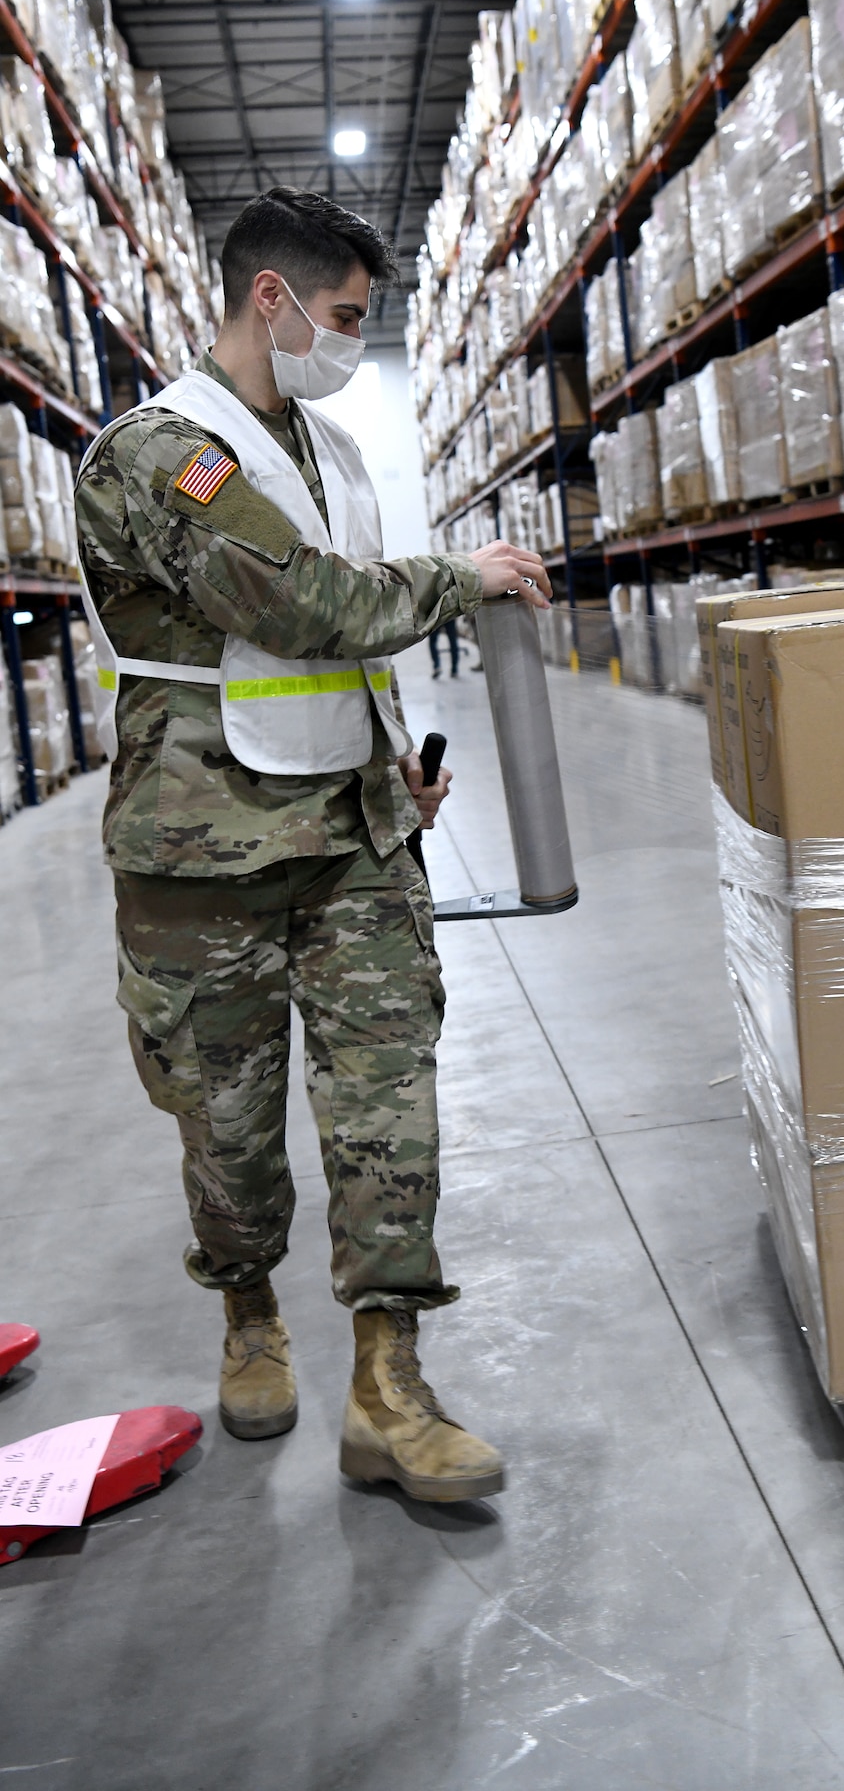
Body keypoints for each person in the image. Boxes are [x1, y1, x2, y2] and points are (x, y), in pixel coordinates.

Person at [74, 186, 551, 1504]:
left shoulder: (329, 450)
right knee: (226, 1128)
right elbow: (304, 607)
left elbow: (343, 656)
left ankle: (389, 1388)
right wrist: (464, 577)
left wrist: (395, 773)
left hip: (351, 838)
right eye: (343, 317)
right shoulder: (161, 451)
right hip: (202, 851)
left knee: (387, 1108)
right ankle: (248, 1315)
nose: (351, 342)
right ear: (269, 298)